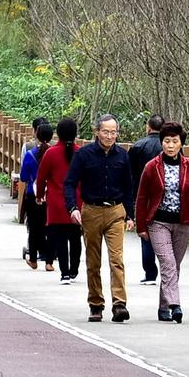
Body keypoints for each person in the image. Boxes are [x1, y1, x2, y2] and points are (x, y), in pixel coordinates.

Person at [134, 121, 189, 322]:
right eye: (167, 141)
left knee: (174, 266)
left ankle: (163, 308)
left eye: (174, 141)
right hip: (158, 222)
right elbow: (142, 197)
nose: (170, 145)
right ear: (161, 143)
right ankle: (175, 305)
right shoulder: (152, 167)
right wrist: (141, 225)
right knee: (168, 264)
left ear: (181, 144)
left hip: (183, 222)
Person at [64, 114, 136, 323]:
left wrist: (130, 214)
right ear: (96, 132)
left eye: (114, 132)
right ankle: (96, 304)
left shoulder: (123, 156)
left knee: (116, 260)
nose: (110, 136)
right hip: (91, 211)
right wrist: (72, 208)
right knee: (93, 261)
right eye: (106, 131)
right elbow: (70, 183)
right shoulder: (84, 155)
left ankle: (119, 304)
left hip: (116, 211)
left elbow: (129, 187)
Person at [36, 119, 81, 280]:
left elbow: (41, 178)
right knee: (76, 238)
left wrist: (39, 196)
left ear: (58, 134)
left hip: (56, 203)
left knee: (61, 239)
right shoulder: (80, 152)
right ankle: (74, 269)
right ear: (75, 134)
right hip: (77, 203)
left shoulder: (51, 153)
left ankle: (65, 273)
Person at [128, 114, 165, 286]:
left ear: (148, 127)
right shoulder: (170, 146)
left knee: (146, 232)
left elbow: (130, 173)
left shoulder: (138, 146)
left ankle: (150, 273)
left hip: (143, 195)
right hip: (166, 196)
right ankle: (167, 271)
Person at [19, 119, 54, 269]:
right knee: (50, 227)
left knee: (34, 228)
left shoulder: (30, 155)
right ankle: (49, 262)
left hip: (32, 196)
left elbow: (23, 177)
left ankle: (33, 259)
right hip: (51, 195)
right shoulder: (54, 154)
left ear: (36, 135)